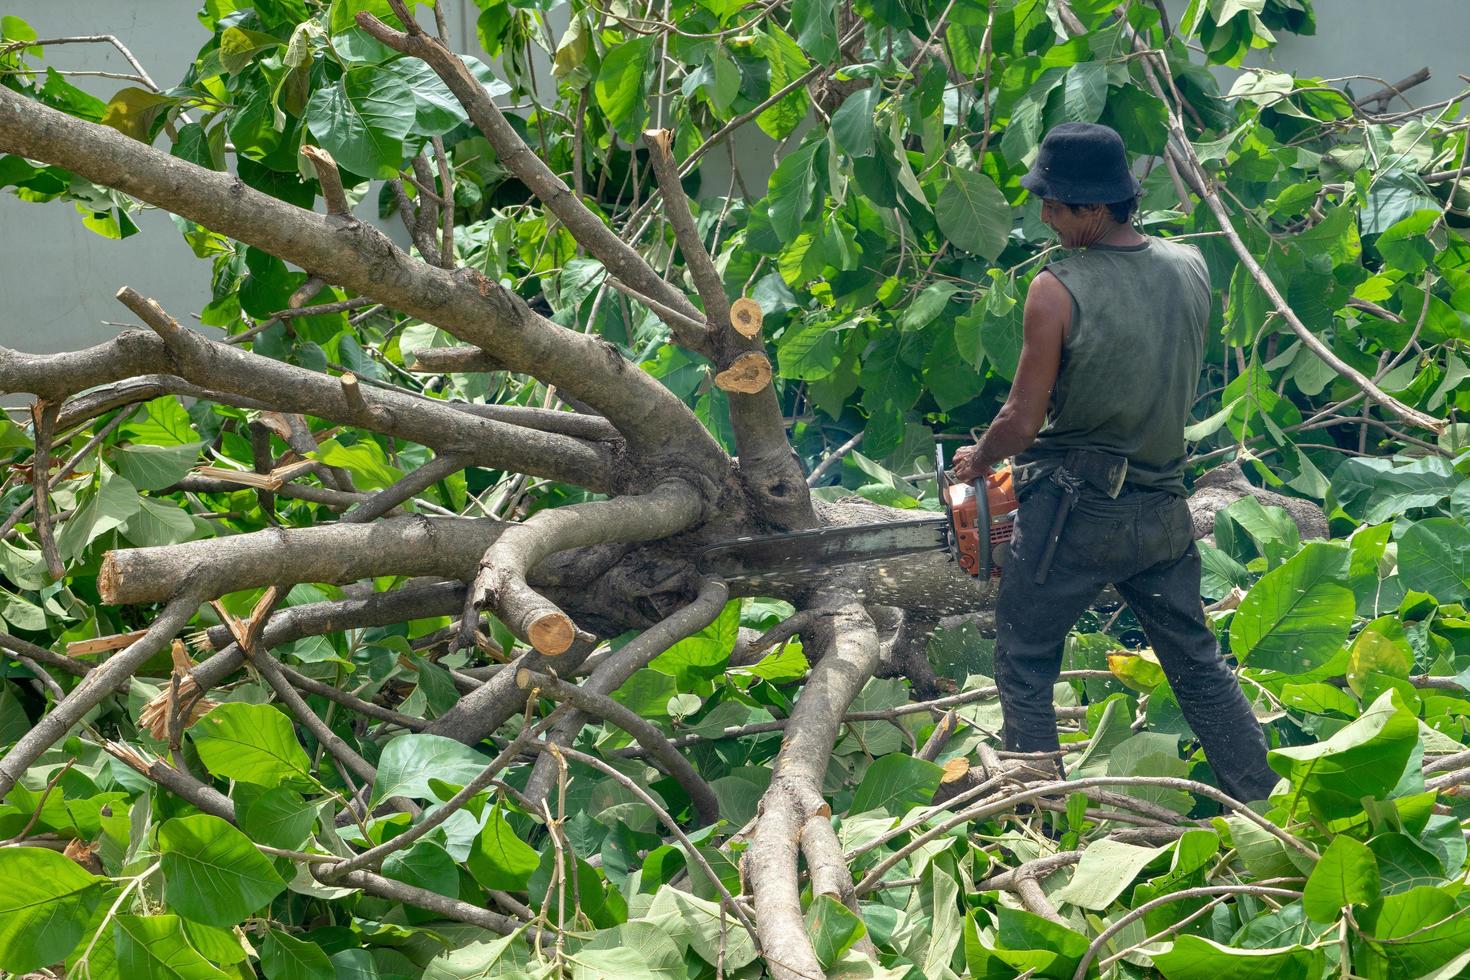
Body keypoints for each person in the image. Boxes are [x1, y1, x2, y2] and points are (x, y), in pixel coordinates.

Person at [952, 122, 1279, 803]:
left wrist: (976, 464)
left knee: (1025, 653)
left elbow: (1021, 418)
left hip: (1080, 514)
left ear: (1094, 209)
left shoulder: (1056, 288)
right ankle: (1264, 802)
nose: (1045, 216)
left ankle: (1037, 811)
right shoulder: (1190, 265)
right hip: (1163, 511)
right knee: (1197, 666)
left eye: (1056, 205)